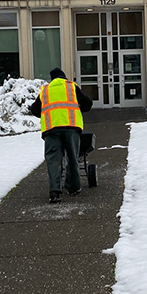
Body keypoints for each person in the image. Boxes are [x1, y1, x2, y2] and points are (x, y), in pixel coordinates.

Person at [29, 68, 94, 203]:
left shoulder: (45, 90)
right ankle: (73, 187)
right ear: (64, 77)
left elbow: (34, 110)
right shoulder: (71, 87)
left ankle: (54, 192)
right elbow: (88, 104)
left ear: (52, 79)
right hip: (71, 127)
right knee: (73, 157)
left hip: (51, 129)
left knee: (53, 160)